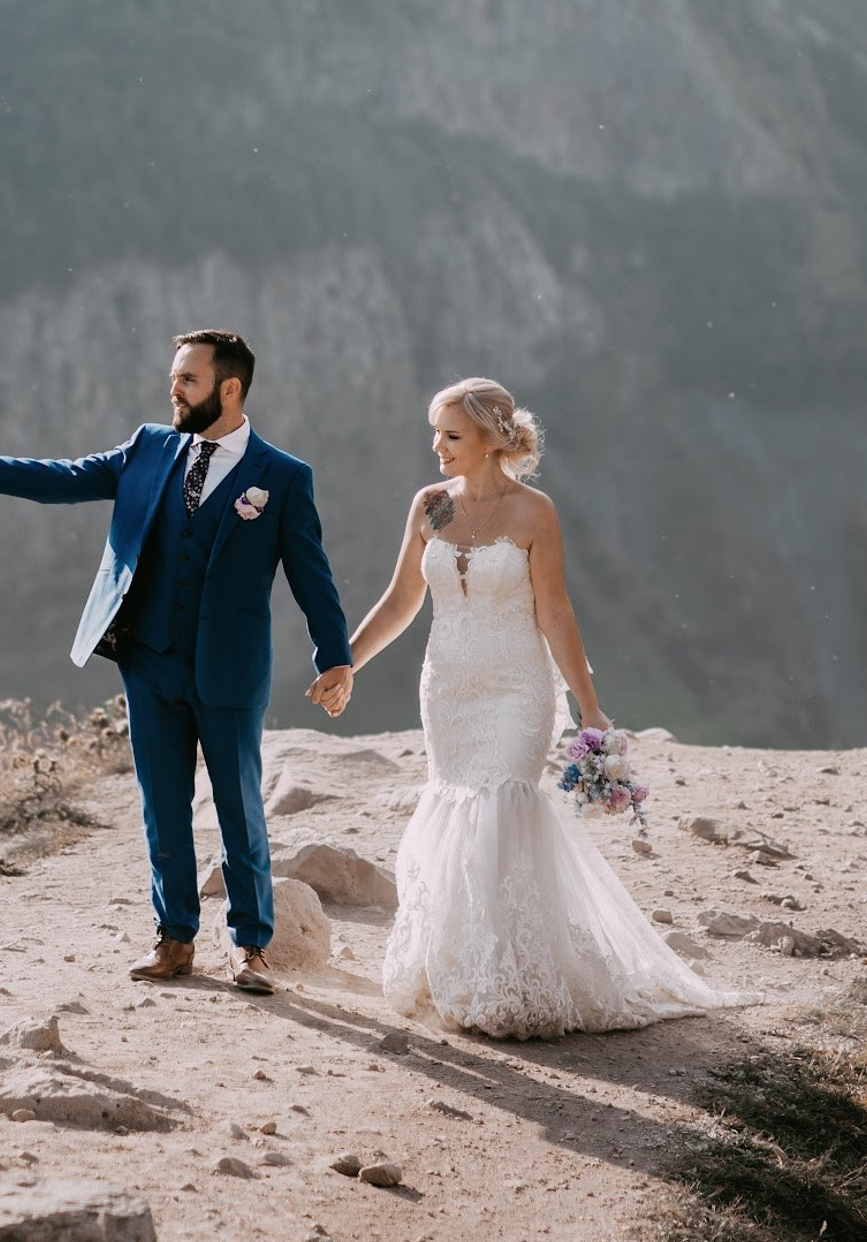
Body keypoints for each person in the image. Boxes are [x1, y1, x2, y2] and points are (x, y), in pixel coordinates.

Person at [0, 329, 352, 995]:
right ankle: (175, 940)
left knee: (239, 811)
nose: (172, 389)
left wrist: (336, 658)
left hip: (229, 671)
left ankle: (249, 948)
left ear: (229, 389)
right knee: (162, 809)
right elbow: (66, 478)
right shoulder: (149, 447)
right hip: (147, 661)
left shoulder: (283, 478)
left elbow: (312, 578)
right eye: (174, 377)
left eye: (188, 380)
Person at [316, 376, 737, 1038]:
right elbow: (401, 601)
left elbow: (555, 611)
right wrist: (344, 662)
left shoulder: (534, 512)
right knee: (455, 811)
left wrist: (591, 708)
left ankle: (513, 980)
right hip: (447, 688)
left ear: (489, 441)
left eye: (452, 436)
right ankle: (461, 971)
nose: (437, 447)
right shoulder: (431, 507)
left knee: (503, 808)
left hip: (518, 687)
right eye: (436, 433)